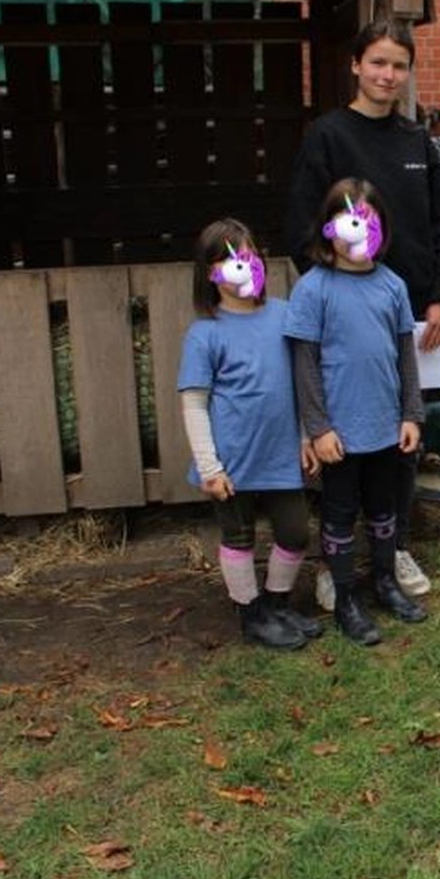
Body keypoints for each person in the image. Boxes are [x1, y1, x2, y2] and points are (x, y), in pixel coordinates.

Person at [283, 19, 440, 602]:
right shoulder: (327, 138)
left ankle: (395, 547)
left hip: (411, 317)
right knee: (339, 445)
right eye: (379, 62)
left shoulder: (418, 144)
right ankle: (333, 560)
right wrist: (337, 299)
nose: (389, 75)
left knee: (399, 439)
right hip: (345, 327)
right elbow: (300, 227)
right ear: (356, 65)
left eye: (400, 65)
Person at [284, 178, 428, 645]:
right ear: (329, 229)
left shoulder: (392, 286)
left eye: (368, 221)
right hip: (340, 435)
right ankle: (346, 597)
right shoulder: (313, 289)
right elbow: (304, 364)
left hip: (387, 428)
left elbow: (406, 355)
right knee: (340, 515)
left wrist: (411, 413)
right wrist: (318, 427)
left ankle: (385, 582)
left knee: (385, 510)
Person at [178, 218, 324, 650]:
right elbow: (194, 403)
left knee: (295, 531)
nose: (246, 265)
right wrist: (210, 465)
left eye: (251, 254)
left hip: (281, 455)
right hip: (232, 461)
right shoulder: (205, 333)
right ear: (211, 273)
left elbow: (299, 382)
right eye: (232, 259)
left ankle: (278, 605)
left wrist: (304, 438)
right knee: (239, 537)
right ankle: (252, 615)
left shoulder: (282, 314)